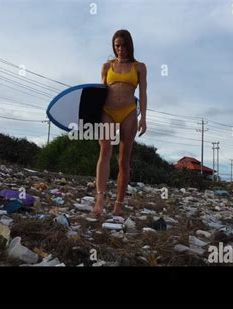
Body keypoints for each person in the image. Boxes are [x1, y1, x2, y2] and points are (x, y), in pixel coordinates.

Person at [91, 29, 147, 218]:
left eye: (123, 45)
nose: (120, 49)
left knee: (123, 159)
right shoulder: (107, 66)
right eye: (117, 45)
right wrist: (92, 115)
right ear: (113, 47)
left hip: (129, 113)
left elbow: (144, 93)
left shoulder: (139, 67)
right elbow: (100, 91)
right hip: (107, 111)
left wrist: (144, 118)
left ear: (129, 45)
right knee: (105, 150)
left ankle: (118, 204)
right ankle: (100, 198)